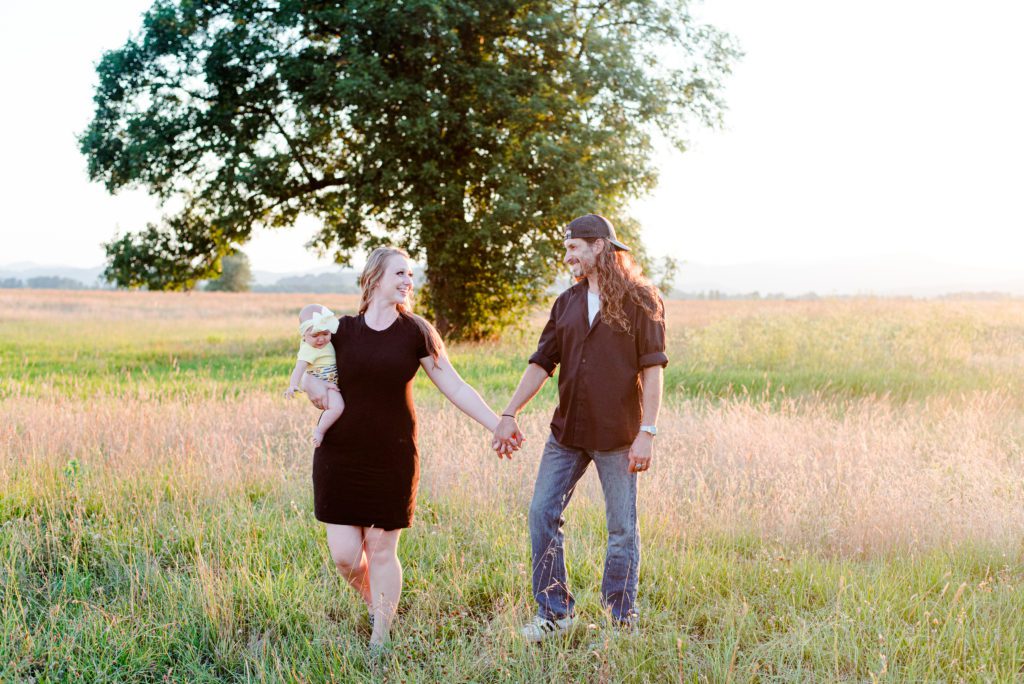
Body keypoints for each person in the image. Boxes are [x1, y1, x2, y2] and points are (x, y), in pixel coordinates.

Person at [302, 246, 508, 648]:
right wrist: (312, 389)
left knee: (380, 550)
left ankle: (381, 636)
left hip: (392, 455)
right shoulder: (341, 330)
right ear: (374, 277)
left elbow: (455, 385)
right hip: (339, 455)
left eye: (410, 275)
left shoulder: (416, 331)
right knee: (345, 555)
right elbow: (308, 366)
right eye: (399, 273)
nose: (407, 282)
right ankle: (374, 602)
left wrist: (496, 423)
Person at [492, 213, 667, 642]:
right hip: (567, 433)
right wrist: (509, 413)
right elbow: (541, 364)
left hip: (618, 435)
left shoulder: (642, 300)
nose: (567, 255)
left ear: (599, 247)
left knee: (622, 529)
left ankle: (620, 621)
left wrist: (648, 431)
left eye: (574, 247)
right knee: (541, 513)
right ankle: (555, 614)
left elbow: (654, 370)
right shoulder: (566, 303)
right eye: (567, 247)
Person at [285, 304, 345, 447]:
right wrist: (293, 385)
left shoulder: (325, 343)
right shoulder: (308, 349)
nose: (321, 339)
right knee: (337, 408)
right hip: (323, 383)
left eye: (325, 334)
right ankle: (319, 431)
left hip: (331, 381)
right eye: (315, 335)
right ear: (304, 336)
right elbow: (298, 368)